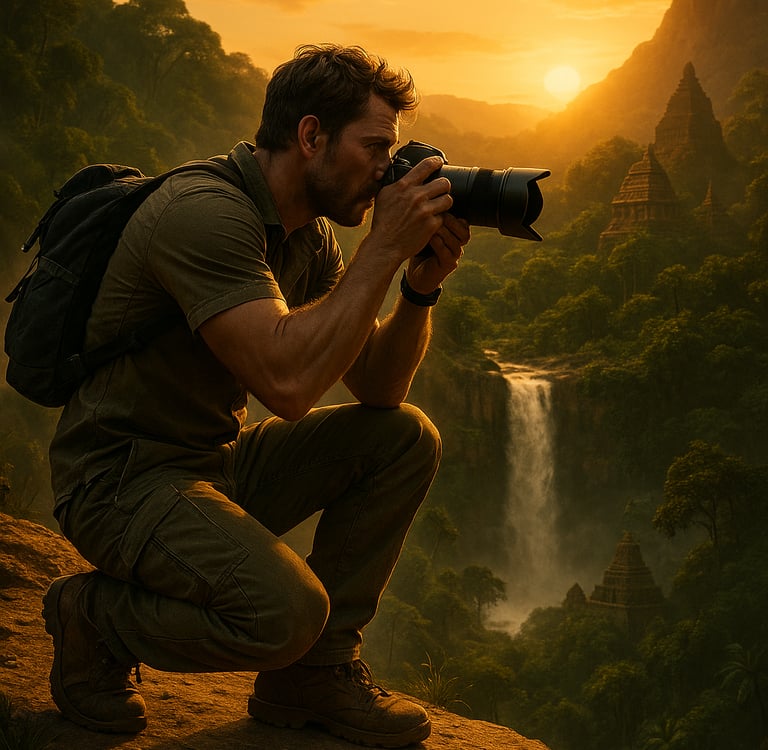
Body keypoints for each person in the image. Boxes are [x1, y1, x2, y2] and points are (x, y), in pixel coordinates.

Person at [42, 43, 470, 749]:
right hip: (119, 478)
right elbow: (289, 385)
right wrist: (382, 250)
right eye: (374, 148)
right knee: (284, 614)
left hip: (212, 463)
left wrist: (419, 287)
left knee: (403, 436)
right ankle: (95, 618)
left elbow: (379, 386)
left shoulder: (310, 236)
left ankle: (313, 678)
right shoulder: (204, 212)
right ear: (311, 136)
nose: (385, 170)